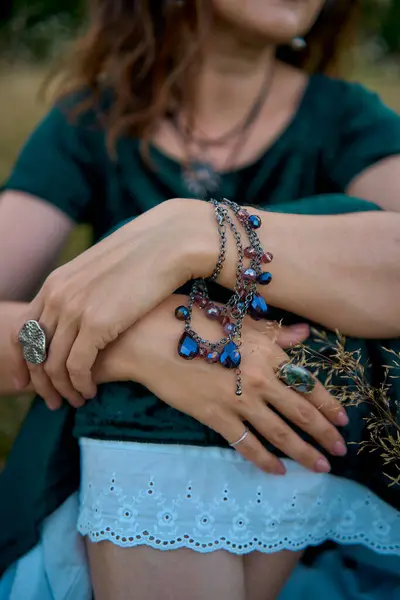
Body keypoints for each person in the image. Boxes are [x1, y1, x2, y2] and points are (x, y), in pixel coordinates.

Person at [1, 0, 400, 599]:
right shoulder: (92, 123)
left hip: (321, 531)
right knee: (167, 334)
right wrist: (133, 346)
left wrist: (197, 235)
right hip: (107, 514)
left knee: (335, 242)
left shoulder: (343, 119)